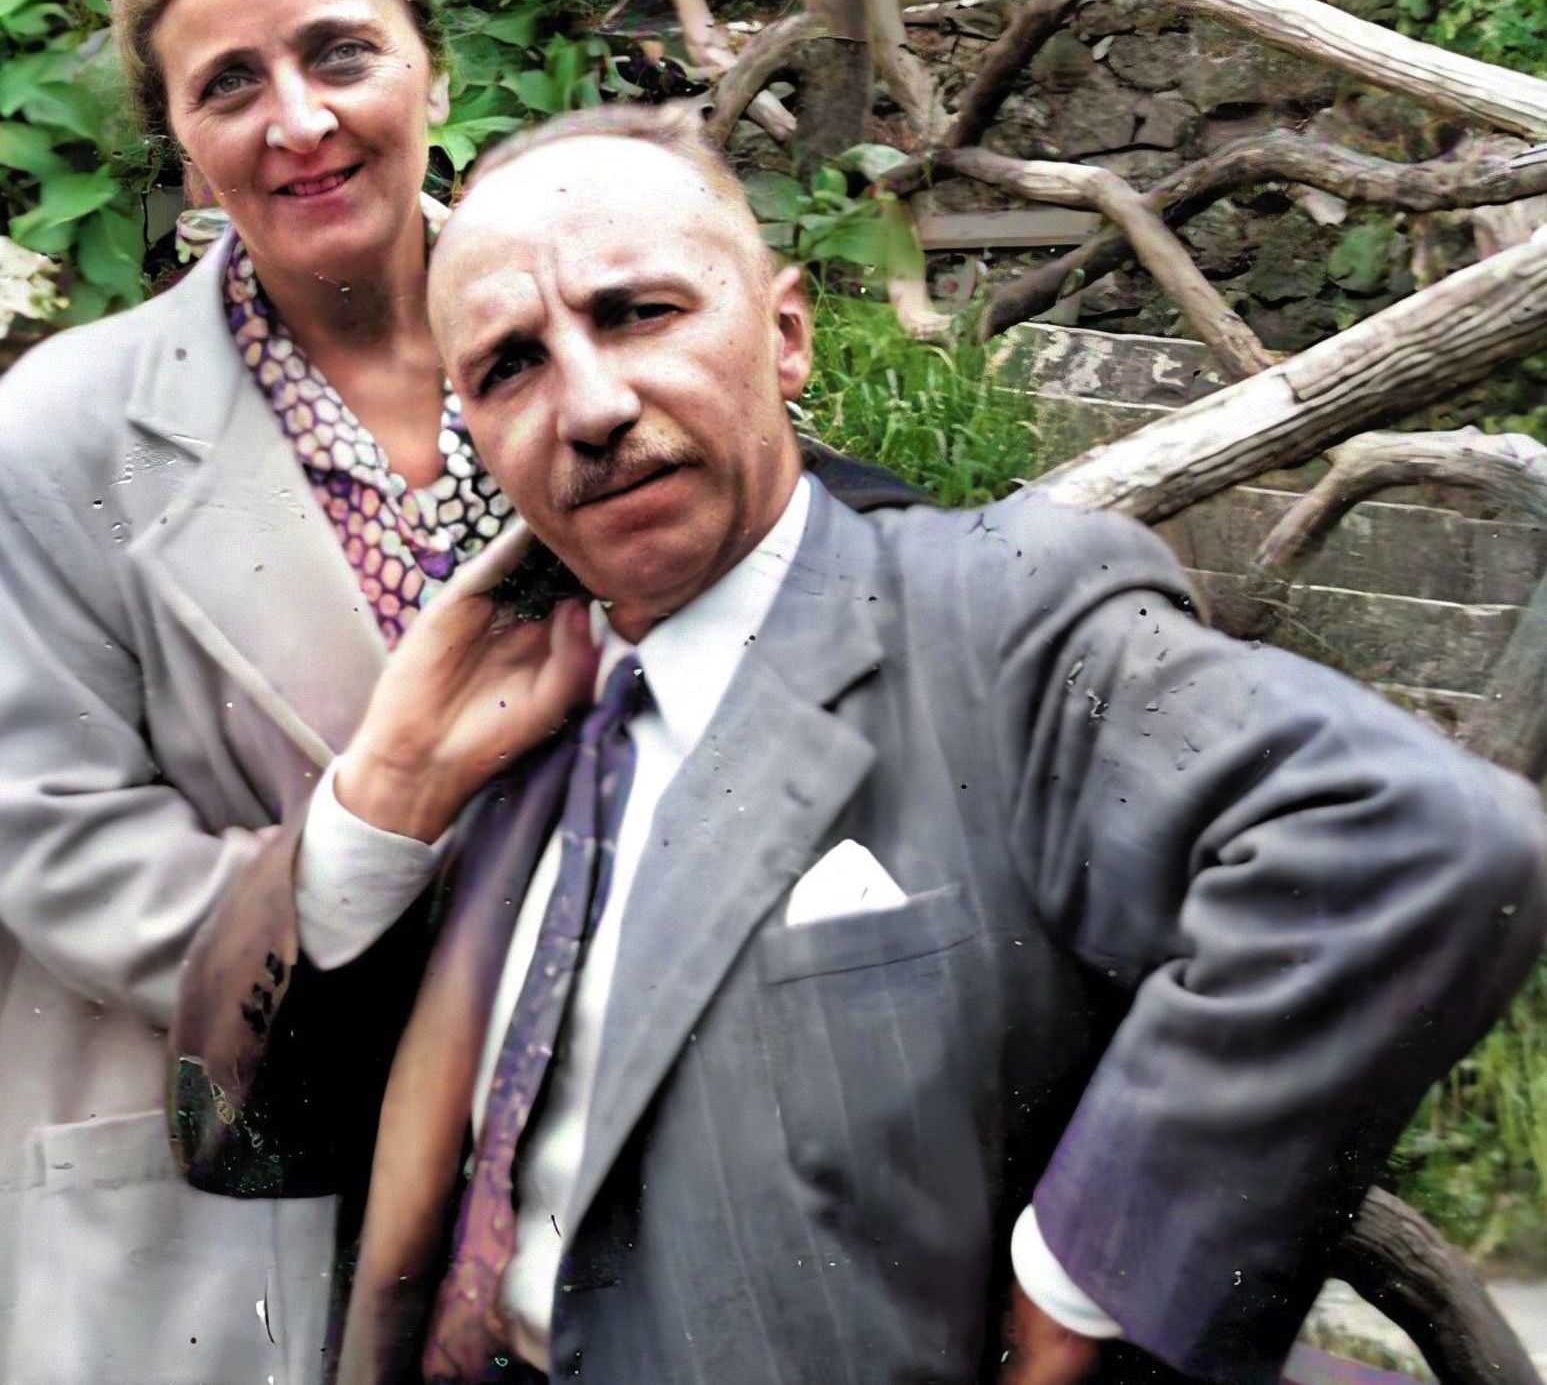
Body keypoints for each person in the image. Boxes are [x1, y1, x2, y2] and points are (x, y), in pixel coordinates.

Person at [171, 103, 1547, 1385]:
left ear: (786, 335)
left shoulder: (992, 617)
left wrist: (1081, 1291)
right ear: (472, 425)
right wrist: (392, 784)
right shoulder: (504, 720)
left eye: (638, 313)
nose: (587, 406)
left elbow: (1417, 843)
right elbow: (235, 1138)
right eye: (511, 366)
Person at [0, 0, 501, 1385]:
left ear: (431, 68)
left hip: (571, 1139)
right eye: (228, 85)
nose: (297, 120)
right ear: (177, 135)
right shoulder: (64, 435)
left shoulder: (583, 349)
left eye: (341, 52)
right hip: (236, 1183)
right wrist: (433, 957)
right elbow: (55, 837)